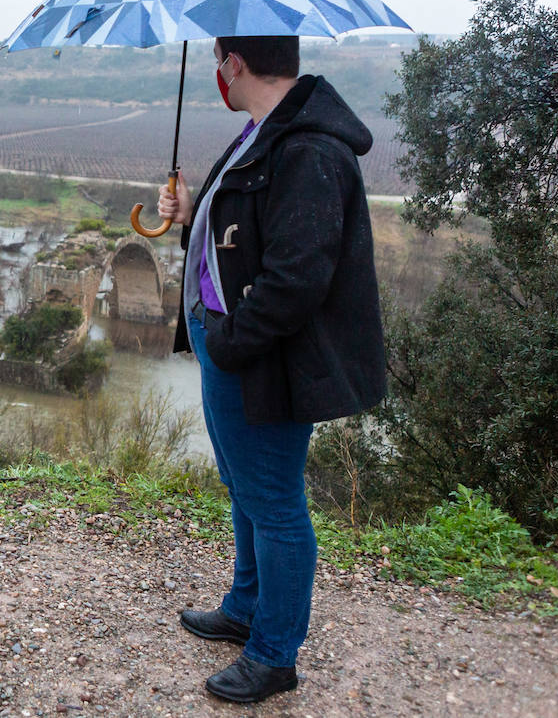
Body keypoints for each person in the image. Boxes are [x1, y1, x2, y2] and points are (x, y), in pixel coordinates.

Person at [156, 35, 385, 703]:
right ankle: (245, 605)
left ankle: (274, 654)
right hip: (233, 348)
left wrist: (226, 342)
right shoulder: (264, 133)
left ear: (235, 63)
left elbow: (295, 279)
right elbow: (240, 240)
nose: (214, 75)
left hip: (263, 359)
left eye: (217, 62)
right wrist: (189, 214)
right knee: (247, 486)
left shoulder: (308, 149)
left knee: (276, 503)